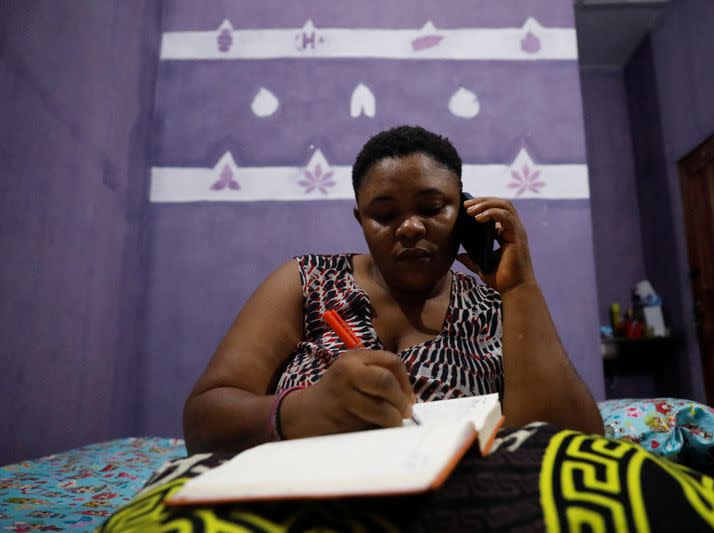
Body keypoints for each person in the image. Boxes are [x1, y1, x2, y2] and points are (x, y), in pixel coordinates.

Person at [183, 125, 603, 454]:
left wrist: (520, 288)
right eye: (383, 215)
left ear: (465, 211)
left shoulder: (494, 308)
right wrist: (301, 411)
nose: (410, 227)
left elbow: (574, 442)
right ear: (360, 220)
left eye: (433, 208)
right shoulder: (306, 281)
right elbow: (204, 420)